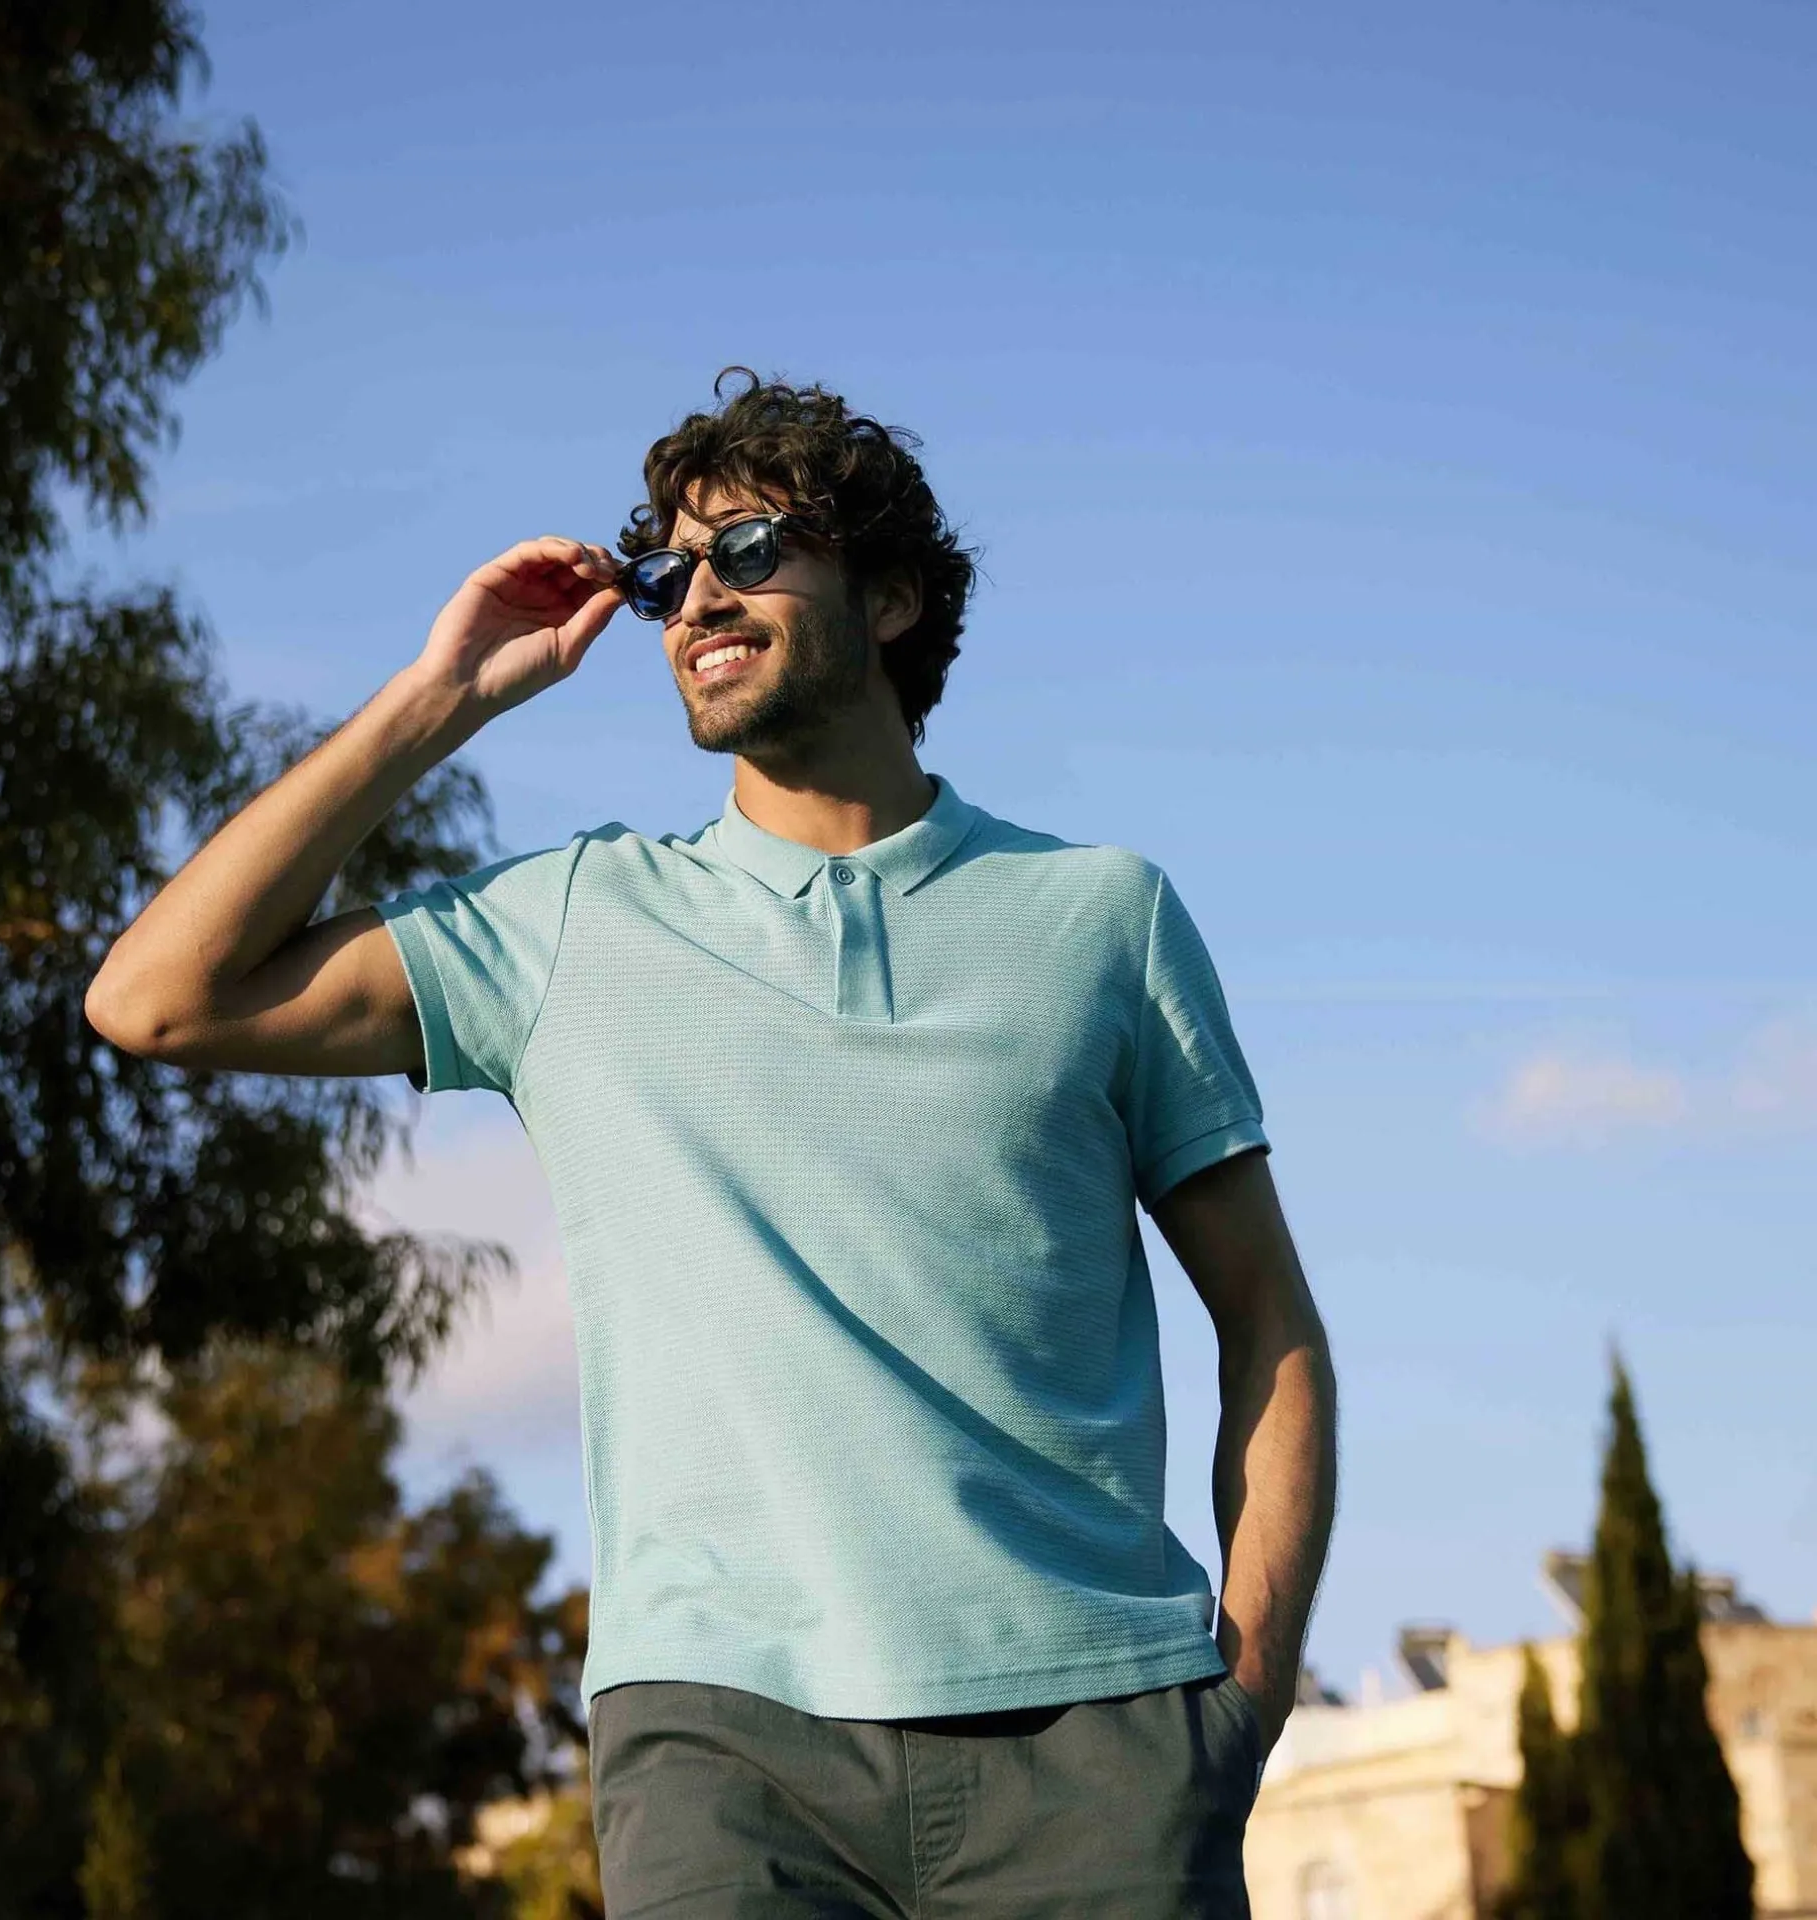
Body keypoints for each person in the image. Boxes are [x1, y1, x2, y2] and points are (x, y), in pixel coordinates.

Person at [87, 370, 1338, 1918]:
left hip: (1100, 1751)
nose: (694, 598)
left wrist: (1241, 1704)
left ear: (891, 599)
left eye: (747, 551)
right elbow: (157, 998)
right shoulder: (570, 921)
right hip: (722, 1759)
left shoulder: (1101, 916)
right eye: (666, 570)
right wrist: (441, 698)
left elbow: (1268, 1320)